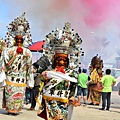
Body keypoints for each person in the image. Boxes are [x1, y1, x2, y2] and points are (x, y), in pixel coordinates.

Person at [37, 22, 83, 120]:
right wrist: (45, 76)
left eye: (64, 59)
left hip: (64, 100)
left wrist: (71, 97)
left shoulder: (72, 73)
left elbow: (73, 86)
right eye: (59, 59)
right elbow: (41, 79)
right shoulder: (49, 69)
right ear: (54, 59)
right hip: (51, 100)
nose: (61, 61)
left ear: (67, 61)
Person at [1, 13, 34, 115]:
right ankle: (10, 109)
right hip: (11, 77)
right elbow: (4, 64)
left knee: (19, 95)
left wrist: (30, 80)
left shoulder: (28, 52)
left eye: (21, 39)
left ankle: (16, 109)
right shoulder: (8, 51)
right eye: (17, 39)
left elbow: (29, 67)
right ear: (14, 39)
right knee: (11, 94)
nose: (19, 41)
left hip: (21, 78)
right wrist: (3, 76)